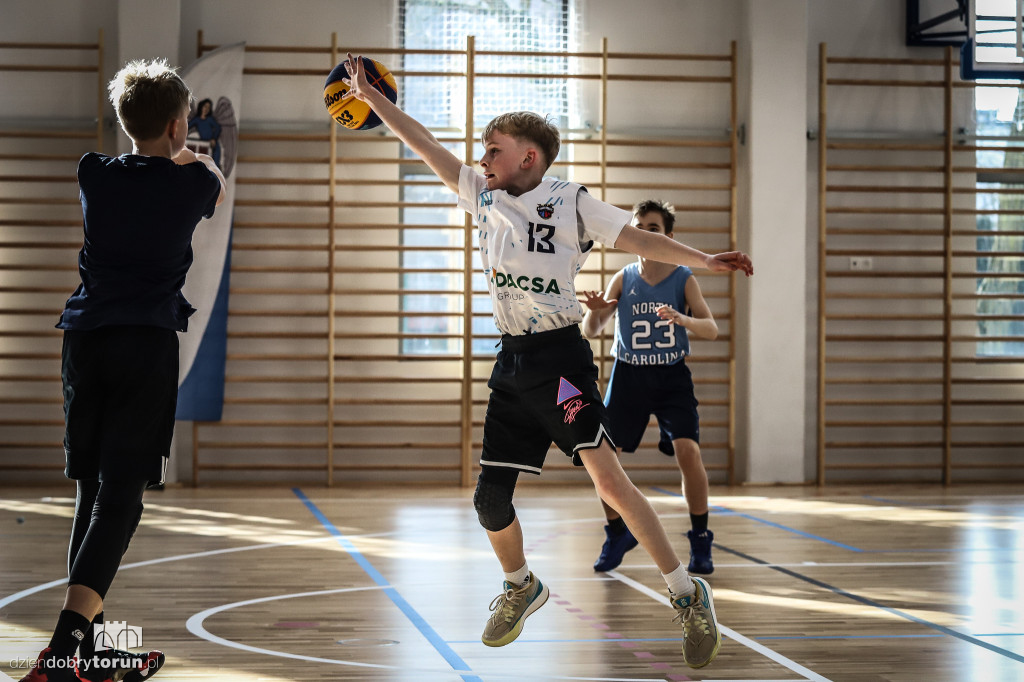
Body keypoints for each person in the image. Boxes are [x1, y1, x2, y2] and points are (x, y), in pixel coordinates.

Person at [342, 53, 751, 669]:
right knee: (488, 501)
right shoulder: (481, 193)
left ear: (528, 157)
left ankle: (687, 594)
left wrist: (708, 261)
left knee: (609, 481)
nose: (482, 159)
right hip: (511, 364)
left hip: (561, 362)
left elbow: (641, 239)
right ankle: (521, 585)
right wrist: (373, 99)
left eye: (493, 148)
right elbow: (423, 142)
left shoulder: (571, 201)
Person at [19, 59, 225, 682]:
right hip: (144, 340)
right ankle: (62, 652)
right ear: (176, 123)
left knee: (92, 486)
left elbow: (136, 164)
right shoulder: (193, 185)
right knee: (124, 496)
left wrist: (162, 143)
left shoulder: (93, 173)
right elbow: (208, 174)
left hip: (84, 339)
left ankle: (88, 654)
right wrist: (185, 152)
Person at [582, 200, 717, 577]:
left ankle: (701, 537)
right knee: (602, 459)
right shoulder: (624, 278)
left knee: (688, 453)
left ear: (669, 237)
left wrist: (682, 318)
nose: (644, 232)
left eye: (653, 228)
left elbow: (712, 328)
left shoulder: (684, 277)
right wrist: (594, 311)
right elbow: (591, 331)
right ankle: (616, 532)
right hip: (629, 376)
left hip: (671, 377)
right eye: (639, 226)